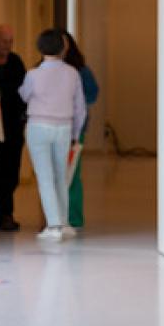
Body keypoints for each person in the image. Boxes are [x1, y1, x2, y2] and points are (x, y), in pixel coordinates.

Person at [19, 28, 87, 241]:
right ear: (64, 47)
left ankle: (54, 226)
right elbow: (80, 108)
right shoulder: (72, 73)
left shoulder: (33, 74)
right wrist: (76, 133)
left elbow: (24, 94)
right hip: (64, 128)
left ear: (40, 48)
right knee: (61, 176)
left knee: (45, 177)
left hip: (38, 126)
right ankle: (65, 223)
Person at [0, 24, 28, 231]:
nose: (8, 46)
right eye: (4, 41)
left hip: (13, 126)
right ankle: (4, 214)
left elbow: (24, 91)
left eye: (11, 41)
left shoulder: (16, 62)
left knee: (12, 171)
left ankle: (5, 213)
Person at [62, 31, 99, 228]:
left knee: (73, 173)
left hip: (75, 128)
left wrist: (74, 101)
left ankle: (74, 218)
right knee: (51, 176)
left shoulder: (81, 70)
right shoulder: (41, 69)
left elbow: (92, 94)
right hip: (51, 127)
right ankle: (53, 218)